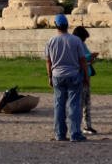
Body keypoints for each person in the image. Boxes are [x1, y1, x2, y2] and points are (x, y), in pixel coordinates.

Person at [45, 14, 87, 142]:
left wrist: (49, 77)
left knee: (59, 106)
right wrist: (86, 76)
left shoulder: (51, 41)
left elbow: (48, 62)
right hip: (73, 74)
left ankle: (60, 134)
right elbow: (82, 60)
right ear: (67, 25)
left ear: (56, 25)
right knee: (74, 105)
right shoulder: (76, 40)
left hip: (57, 75)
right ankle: (75, 134)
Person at [71, 26, 98, 134]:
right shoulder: (74, 45)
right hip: (80, 76)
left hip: (86, 74)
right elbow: (79, 59)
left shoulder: (81, 44)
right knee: (80, 103)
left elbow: (85, 58)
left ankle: (87, 125)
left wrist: (91, 58)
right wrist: (89, 57)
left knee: (87, 102)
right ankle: (76, 127)